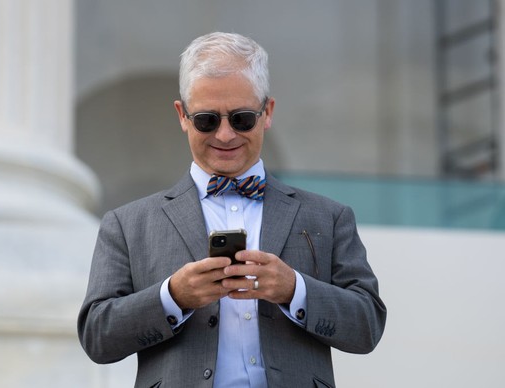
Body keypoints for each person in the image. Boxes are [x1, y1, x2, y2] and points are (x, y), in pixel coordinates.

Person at [78, 31, 386, 388]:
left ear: (267, 112)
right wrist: (173, 296)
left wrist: (294, 289)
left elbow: (368, 326)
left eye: (241, 119)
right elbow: (97, 337)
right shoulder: (127, 225)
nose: (225, 135)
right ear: (182, 115)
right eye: (207, 120)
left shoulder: (329, 217)